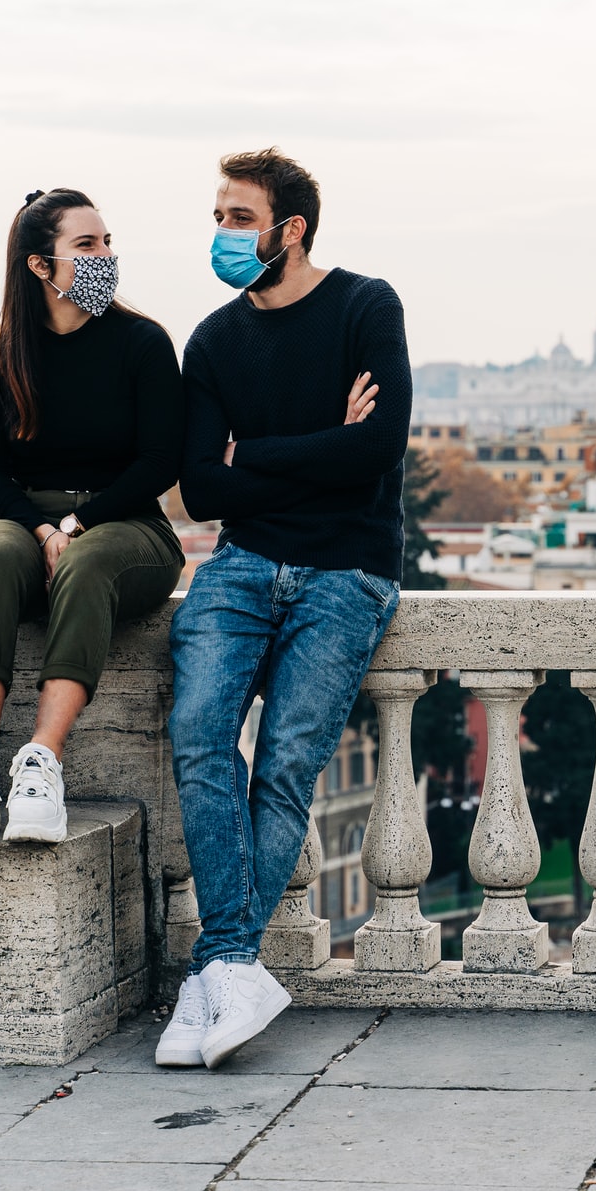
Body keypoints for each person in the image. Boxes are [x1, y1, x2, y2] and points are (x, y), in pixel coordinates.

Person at [157, 149, 410, 1068]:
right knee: (197, 730)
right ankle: (231, 968)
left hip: (348, 572)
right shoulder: (214, 340)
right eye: (218, 216)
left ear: (288, 228)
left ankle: (217, 966)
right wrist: (318, 447)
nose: (221, 234)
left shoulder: (365, 306)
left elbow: (378, 449)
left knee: (289, 766)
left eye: (236, 216)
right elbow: (199, 489)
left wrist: (255, 457)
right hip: (244, 562)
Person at [0, 188, 186, 844]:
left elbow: (160, 462)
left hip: (129, 523)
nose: (106, 256)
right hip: (25, 519)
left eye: (108, 242)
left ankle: (42, 762)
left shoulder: (142, 344)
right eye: (87, 245)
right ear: (40, 266)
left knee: (90, 560)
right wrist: (43, 529)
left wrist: (78, 527)